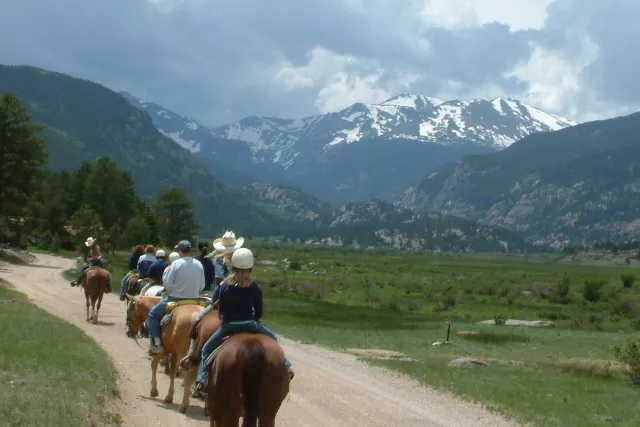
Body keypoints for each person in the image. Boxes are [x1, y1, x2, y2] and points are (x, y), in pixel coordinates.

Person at [192, 248, 293, 396]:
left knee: (206, 349)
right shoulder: (255, 287)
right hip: (251, 324)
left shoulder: (225, 286)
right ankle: (286, 365)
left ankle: (201, 379)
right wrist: (254, 320)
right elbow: (259, 312)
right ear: (250, 268)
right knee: (273, 338)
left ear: (233, 266)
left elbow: (221, 310)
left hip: (229, 326)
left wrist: (224, 319)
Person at [185, 231, 240, 360]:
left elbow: (219, 277)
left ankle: (192, 352)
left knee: (197, 320)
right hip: (242, 299)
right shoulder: (240, 257)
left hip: (222, 297)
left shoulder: (220, 259)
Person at [147, 240, 205, 354]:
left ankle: (157, 344)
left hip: (175, 299)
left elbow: (167, 284)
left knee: (152, 315)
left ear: (179, 251)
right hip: (195, 301)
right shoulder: (199, 264)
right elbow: (202, 286)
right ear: (189, 250)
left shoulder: (176, 264)